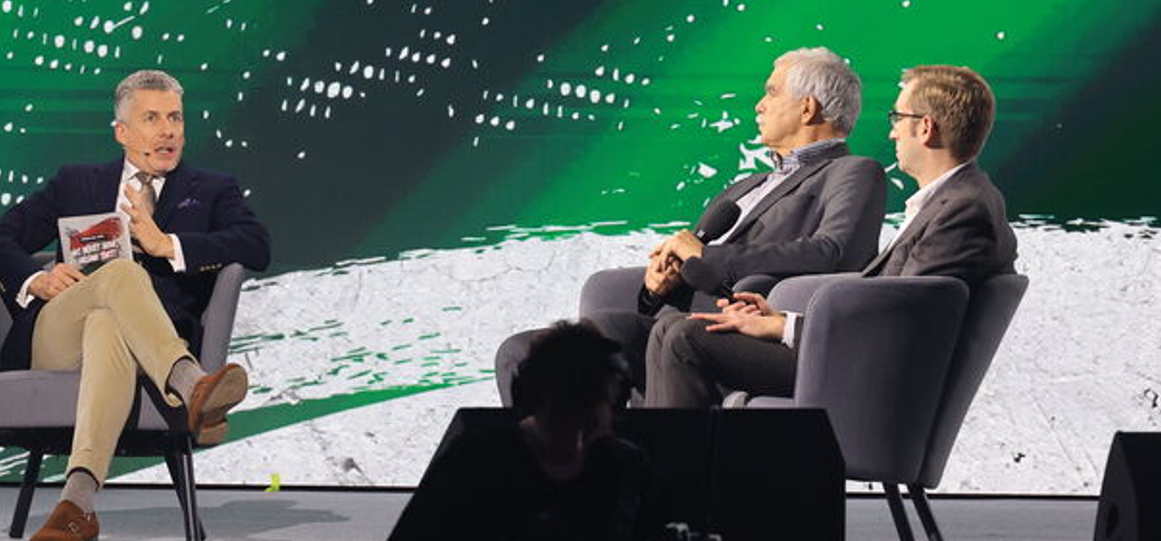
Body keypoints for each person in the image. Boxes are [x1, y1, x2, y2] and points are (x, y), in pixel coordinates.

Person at [0, 69, 271, 541]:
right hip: (57, 336)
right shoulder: (76, 182)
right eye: (152, 119)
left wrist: (168, 244)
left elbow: (256, 245)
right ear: (122, 132)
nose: (168, 131)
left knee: (107, 324)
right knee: (121, 275)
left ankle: (76, 506)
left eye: (175, 118)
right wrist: (37, 279)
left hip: (139, 348)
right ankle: (191, 385)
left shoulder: (212, 189)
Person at [495, 47, 887, 401]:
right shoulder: (745, 185)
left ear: (806, 108)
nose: (758, 106)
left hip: (738, 328)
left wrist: (707, 256)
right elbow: (693, 256)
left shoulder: (852, 171)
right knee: (521, 353)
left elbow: (834, 252)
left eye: (770, 93)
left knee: (606, 332)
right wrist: (658, 285)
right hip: (672, 322)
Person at [644, 64, 1017, 408]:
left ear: (925, 128)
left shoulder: (963, 210)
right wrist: (781, 316)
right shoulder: (953, 202)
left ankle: (676, 462)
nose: (892, 131)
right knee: (673, 331)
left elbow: (901, 322)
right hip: (851, 353)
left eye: (897, 118)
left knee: (685, 339)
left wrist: (783, 327)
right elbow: (890, 302)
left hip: (862, 371)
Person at [390, 321, 668, 541]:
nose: (575, 437)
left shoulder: (630, 469)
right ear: (533, 398)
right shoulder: (475, 462)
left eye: (588, 412)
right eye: (564, 413)